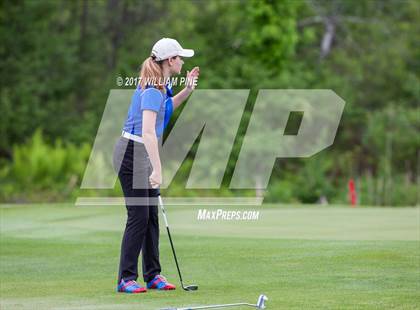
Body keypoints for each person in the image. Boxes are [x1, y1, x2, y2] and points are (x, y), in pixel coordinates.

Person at [112, 38, 199, 293]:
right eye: (180, 57)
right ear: (170, 61)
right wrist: (158, 169)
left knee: (151, 217)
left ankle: (153, 274)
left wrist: (187, 91)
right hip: (132, 153)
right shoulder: (152, 88)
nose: (183, 61)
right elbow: (148, 132)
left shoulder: (162, 85)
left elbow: (167, 109)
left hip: (142, 151)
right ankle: (126, 278)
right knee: (138, 216)